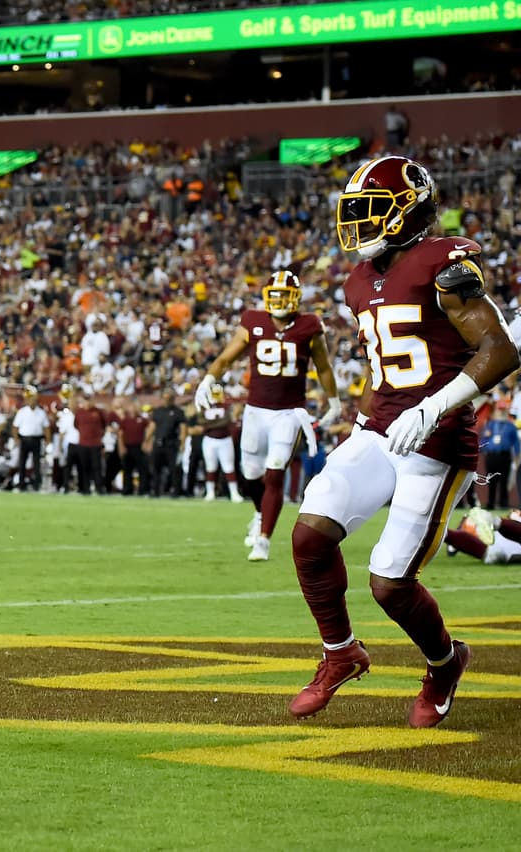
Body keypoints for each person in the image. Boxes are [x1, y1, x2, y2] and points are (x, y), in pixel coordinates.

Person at [287, 154, 518, 727]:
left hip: (438, 440)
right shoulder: (359, 280)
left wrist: (434, 405)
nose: (358, 225)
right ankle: (340, 652)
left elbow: (502, 350)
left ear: (407, 212)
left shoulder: (444, 261)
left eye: (370, 213)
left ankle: (445, 663)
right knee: (309, 534)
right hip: (378, 429)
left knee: (390, 584)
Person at [195, 269, 341, 561]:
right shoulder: (253, 321)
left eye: (284, 296)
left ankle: (263, 539)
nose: (278, 301)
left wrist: (334, 400)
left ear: (295, 298)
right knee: (251, 474)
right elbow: (226, 357)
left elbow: (323, 367)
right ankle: (260, 514)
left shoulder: (309, 325)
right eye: (274, 295)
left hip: (288, 413)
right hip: (255, 412)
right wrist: (207, 380)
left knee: (275, 472)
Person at [197, 383, 243, 503]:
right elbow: (201, 421)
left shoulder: (225, 405)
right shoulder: (205, 405)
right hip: (209, 440)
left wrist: (210, 423)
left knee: (229, 467)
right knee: (210, 467)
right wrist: (215, 422)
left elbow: (226, 421)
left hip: (224, 440)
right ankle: (210, 492)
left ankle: (234, 493)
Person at [147, 389, 187, 497]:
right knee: (156, 468)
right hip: (158, 443)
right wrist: (147, 440)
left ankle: (175, 491)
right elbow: (152, 426)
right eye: (165, 397)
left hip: (171, 443)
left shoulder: (178, 412)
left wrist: (183, 443)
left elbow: (183, 428)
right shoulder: (158, 411)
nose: (166, 400)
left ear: (173, 399)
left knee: (174, 469)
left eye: (169, 398)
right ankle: (155, 491)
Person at [480, 404, 518, 509]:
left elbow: (515, 443)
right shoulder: (490, 425)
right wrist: (484, 449)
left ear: (507, 412)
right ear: (496, 411)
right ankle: (491, 503)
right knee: (491, 480)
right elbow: (483, 440)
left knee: (504, 481)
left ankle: (503, 503)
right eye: (499, 410)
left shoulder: (511, 426)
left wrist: (516, 456)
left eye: (503, 410)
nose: (501, 412)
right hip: (491, 456)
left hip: (504, 456)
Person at [11, 385, 48, 491]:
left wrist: (47, 441)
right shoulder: (22, 412)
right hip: (24, 439)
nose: (32, 401)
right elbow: (15, 427)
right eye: (30, 399)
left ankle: (37, 485)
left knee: (37, 463)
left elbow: (46, 428)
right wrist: (16, 439)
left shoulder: (41, 412)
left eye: (33, 399)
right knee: (22, 462)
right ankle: (21, 484)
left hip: (36, 439)